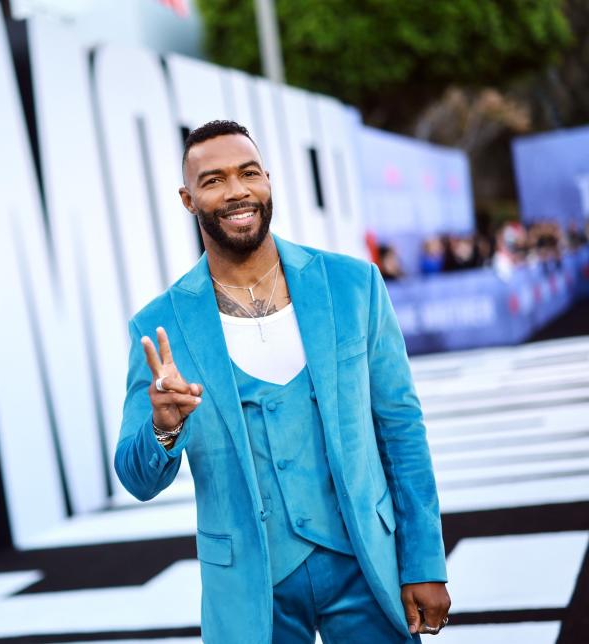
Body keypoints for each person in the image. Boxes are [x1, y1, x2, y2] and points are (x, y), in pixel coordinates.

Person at [115, 120, 450, 643]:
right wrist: (162, 427)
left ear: (268, 180)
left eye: (249, 173)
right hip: (251, 587)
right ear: (188, 199)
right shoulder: (161, 326)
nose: (237, 191)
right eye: (214, 180)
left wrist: (424, 558)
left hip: (366, 564)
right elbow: (137, 478)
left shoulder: (352, 285)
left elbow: (401, 429)